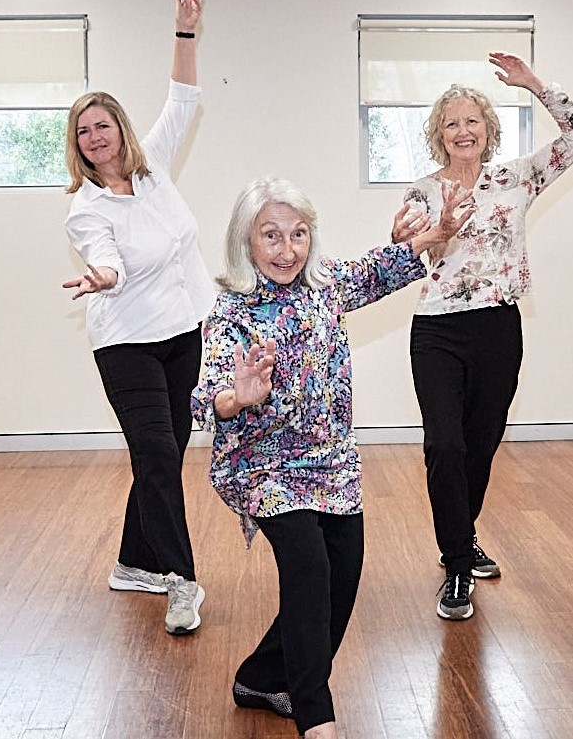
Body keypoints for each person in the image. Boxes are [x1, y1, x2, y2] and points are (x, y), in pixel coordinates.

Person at [191, 176, 471, 739]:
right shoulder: (231, 312)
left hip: (331, 460)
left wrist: (433, 236)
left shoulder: (324, 287)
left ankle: (262, 676)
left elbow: (377, 269)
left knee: (343, 574)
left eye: (298, 234)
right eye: (271, 236)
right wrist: (238, 396)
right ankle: (314, 712)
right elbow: (211, 394)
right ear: (246, 243)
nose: (287, 249)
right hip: (263, 465)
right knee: (309, 570)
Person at [393, 53, 573, 621]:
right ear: (439, 135)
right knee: (444, 445)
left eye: (472, 121)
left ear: (488, 130)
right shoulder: (424, 189)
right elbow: (404, 248)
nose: (463, 130)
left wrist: (536, 85)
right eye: (452, 123)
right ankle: (457, 567)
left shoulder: (515, 179)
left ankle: (462, 537)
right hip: (438, 332)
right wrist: (412, 235)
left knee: (481, 444)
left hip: (498, 327)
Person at [62, 0, 214, 636]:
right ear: (77, 144)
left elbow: (182, 98)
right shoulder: (86, 207)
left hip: (184, 331)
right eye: (82, 131)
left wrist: (184, 31)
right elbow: (106, 255)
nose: (94, 136)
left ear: (119, 128)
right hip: (125, 341)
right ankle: (181, 579)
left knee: (163, 454)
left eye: (102, 124)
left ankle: (132, 561)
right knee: (155, 453)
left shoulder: (153, 172)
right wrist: (103, 273)